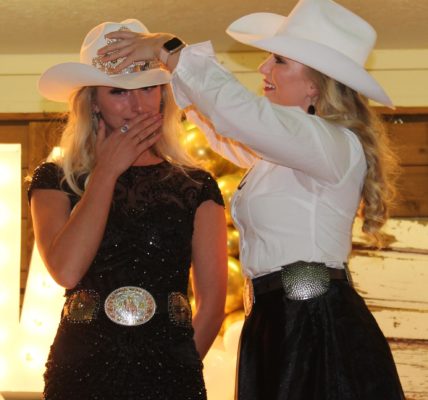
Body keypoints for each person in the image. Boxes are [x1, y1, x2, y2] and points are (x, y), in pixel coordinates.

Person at [97, 0, 406, 399]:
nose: (263, 68)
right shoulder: (283, 154)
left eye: (279, 61)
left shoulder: (332, 143)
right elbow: (223, 126)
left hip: (312, 322)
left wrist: (169, 48)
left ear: (315, 85)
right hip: (280, 320)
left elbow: (240, 115)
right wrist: (169, 72)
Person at [29, 19, 228, 400]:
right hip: (81, 373)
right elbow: (67, 270)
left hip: (172, 375)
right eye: (119, 92)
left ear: (163, 96)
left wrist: (179, 370)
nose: (137, 105)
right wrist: (105, 172)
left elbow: (213, 303)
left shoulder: (195, 186)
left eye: (148, 87)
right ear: (93, 102)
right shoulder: (56, 179)